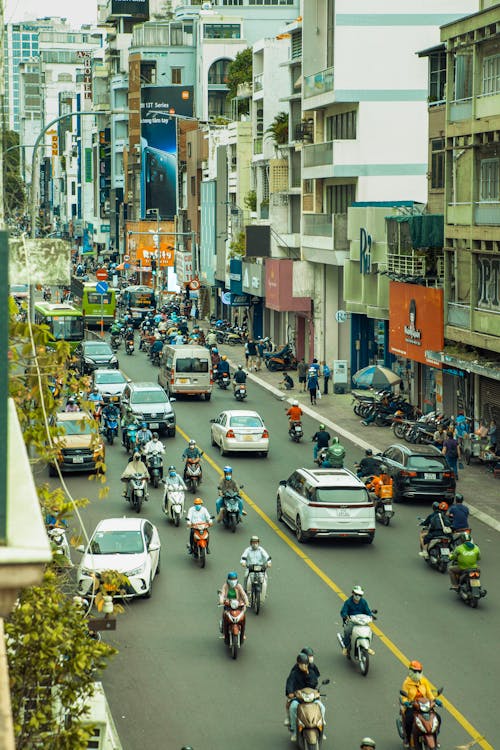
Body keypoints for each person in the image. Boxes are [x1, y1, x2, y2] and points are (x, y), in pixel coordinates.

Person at [285, 653, 325, 743]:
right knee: (293, 707)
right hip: (299, 698)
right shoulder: (294, 674)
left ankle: (320, 725)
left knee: (321, 707)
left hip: (311, 697)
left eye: (306, 664)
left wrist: (307, 674)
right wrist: (290, 692)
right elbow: (289, 684)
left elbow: (314, 684)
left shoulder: (311, 672)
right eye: (302, 664)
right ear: (298, 664)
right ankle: (295, 731)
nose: (304, 666)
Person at [400, 660, 438, 748]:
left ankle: (435, 737)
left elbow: (429, 694)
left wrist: (435, 700)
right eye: (415, 671)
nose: (417, 673)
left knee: (437, 718)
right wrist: (406, 702)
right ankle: (407, 738)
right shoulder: (406, 683)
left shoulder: (424, 681)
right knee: (408, 720)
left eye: (419, 671)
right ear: (410, 671)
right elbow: (404, 697)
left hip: (425, 705)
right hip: (412, 706)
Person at [340, 585, 373, 656]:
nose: (358, 596)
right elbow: (343, 611)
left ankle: (367, 647)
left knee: (370, 632)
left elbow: (367, 611)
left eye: (360, 595)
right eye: (356, 594)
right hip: (352, 621)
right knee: (347, 631)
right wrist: (346, 616)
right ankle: (346, 647)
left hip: (362, 621)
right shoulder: (348, 602)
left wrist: (370, 615)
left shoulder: (363, 602)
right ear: (352, 593)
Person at [218, 571, 249, 641]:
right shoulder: (225, 586)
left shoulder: (239, 586)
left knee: (243, 618)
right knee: (225, 616)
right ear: (228, 580)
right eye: (231, 579)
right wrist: (221, 600)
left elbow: (243, 594)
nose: (232, 581)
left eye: (234, 579)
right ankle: (224, 633)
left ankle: (243, 633)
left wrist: (246, 601)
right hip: (228, 604)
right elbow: (222, 594)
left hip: (238, 605)